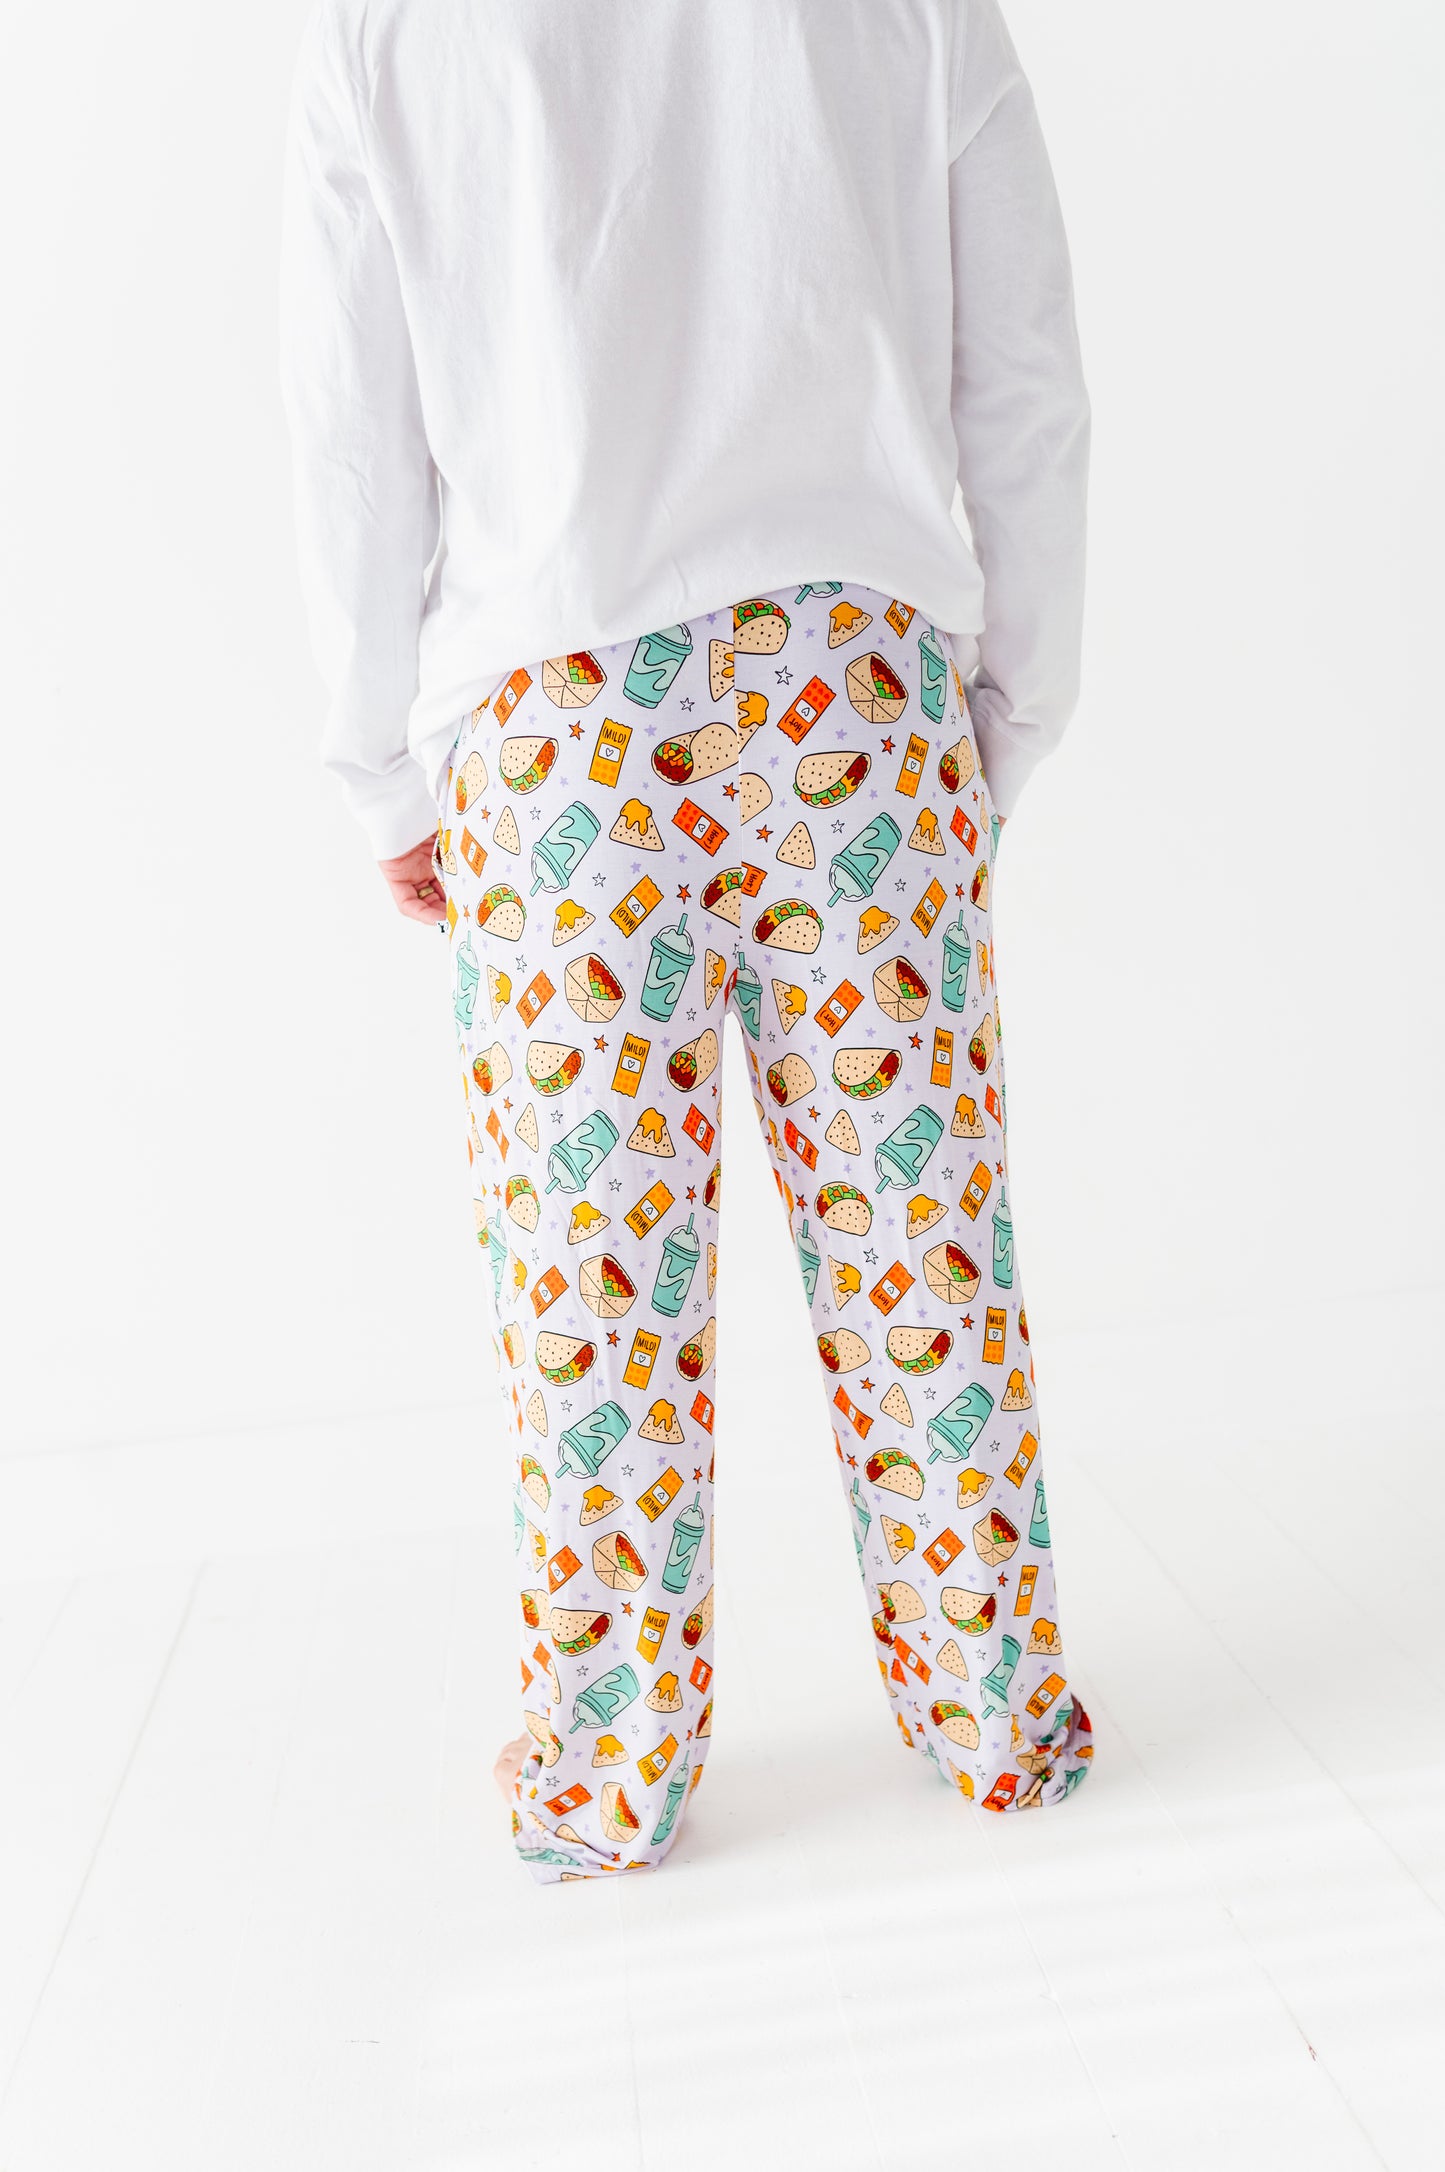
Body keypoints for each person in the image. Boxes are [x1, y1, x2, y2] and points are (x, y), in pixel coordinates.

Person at [279, 0, 1094, 1885]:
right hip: (856, 691)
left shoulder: (380, 30)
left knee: (591, 1290)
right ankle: (995, 1712)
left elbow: (350, 435)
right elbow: (1022, 376)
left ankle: (602, 1773)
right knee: (920, 1238)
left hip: (557, 726)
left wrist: (380, 765)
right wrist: (1011, 705)